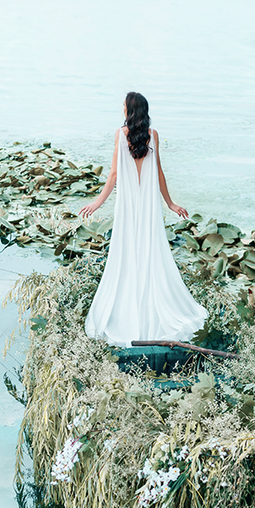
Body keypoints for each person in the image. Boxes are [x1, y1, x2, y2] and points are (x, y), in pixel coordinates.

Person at [79, 92, 208, 348]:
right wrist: (169, 203)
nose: (121, 108)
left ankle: (128, 313)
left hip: (128, 207)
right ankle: (151, 311)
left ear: (129, 110)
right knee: (150, 253)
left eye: (123, 105)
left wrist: (97, 203)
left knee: (126, 254)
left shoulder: (120, 134)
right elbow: (158, 172)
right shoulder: (153, 135)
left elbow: (114, 175)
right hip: (148, 207)